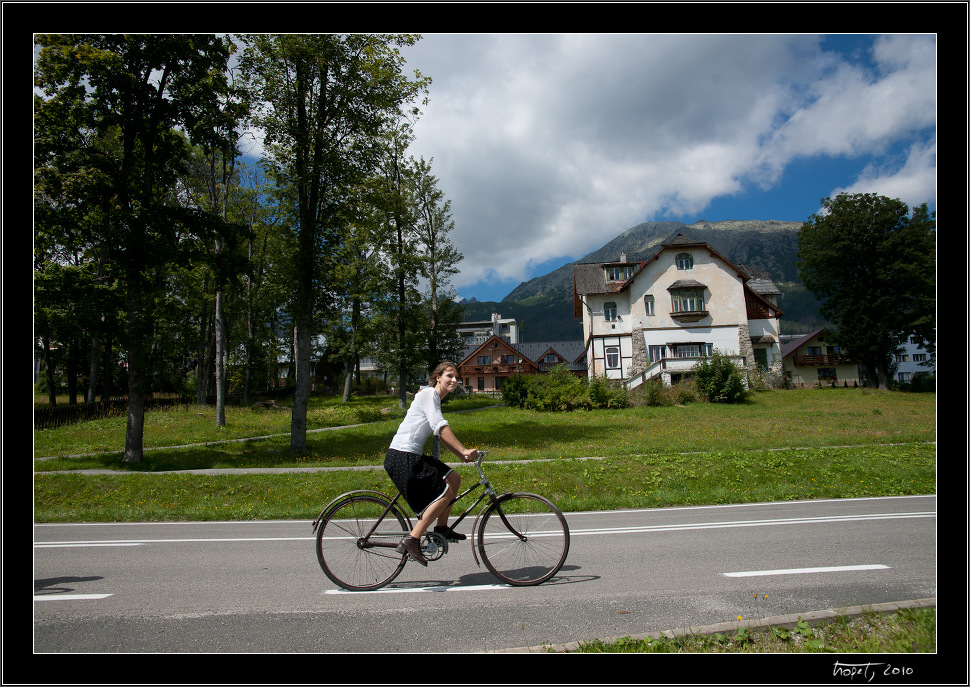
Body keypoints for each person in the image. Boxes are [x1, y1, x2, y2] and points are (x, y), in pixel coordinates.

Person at [384, 361, 479, 566]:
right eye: (449, 376)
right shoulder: (429, 394)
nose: (455, 380)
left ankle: (441, 528)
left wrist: (461, 454)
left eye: (456, 377)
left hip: (411, 454)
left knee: (453, 478)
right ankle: (413, 538)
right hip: (403, 455)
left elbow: (439, 432)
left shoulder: (433, 397)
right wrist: (462, 450)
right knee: (444, 493)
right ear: (438, 377)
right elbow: (440, 426)